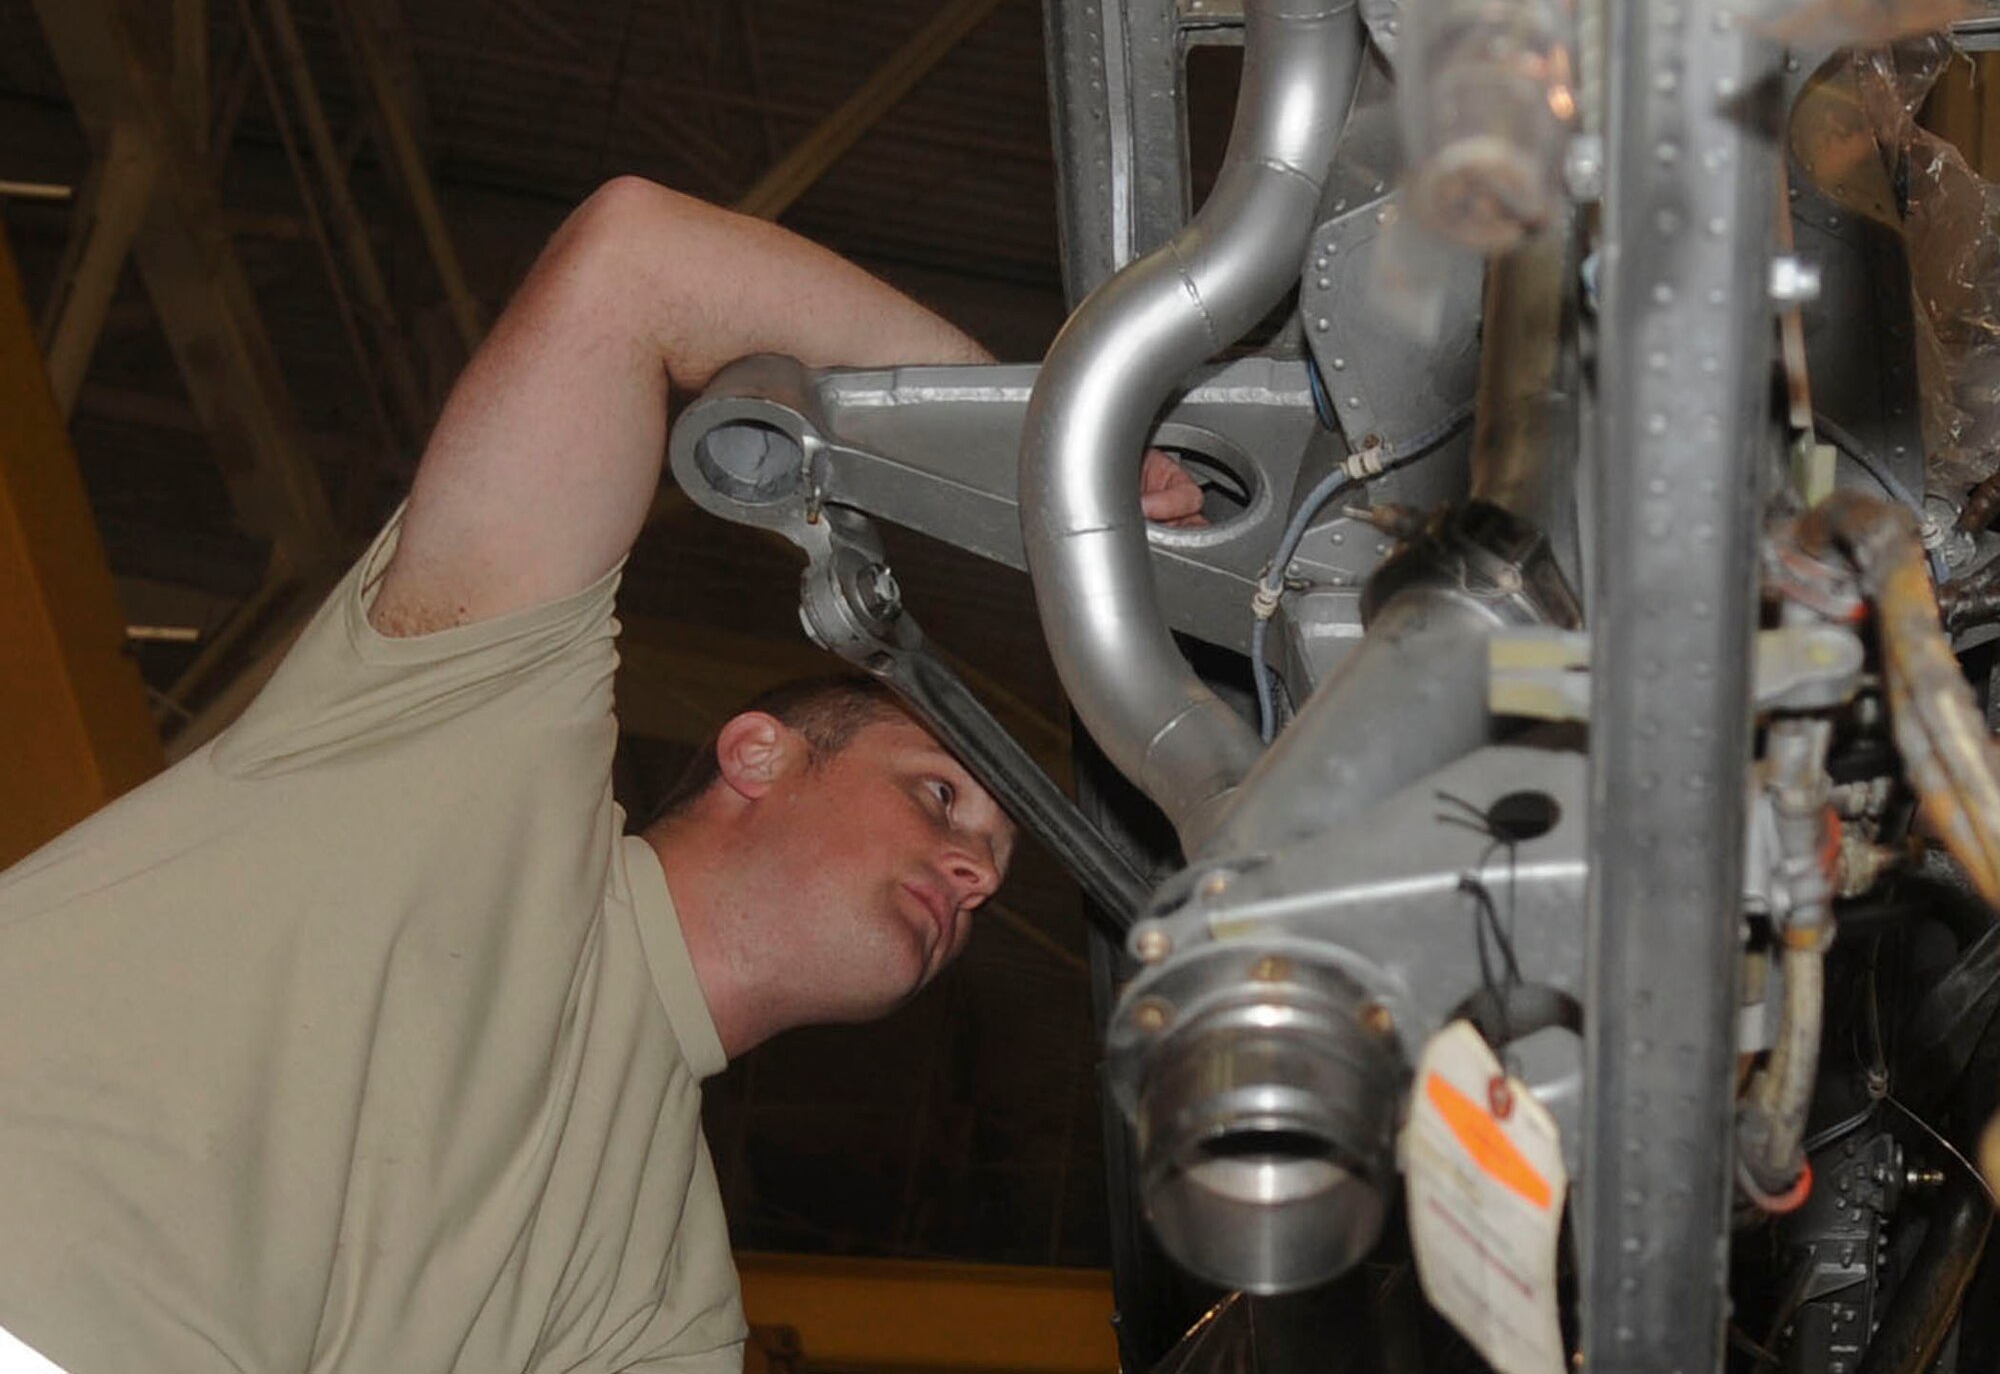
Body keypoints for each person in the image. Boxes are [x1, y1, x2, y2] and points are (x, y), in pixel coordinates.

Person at [0, 177, 1201, 1374]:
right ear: (755, 752)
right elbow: (637, 266)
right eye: (940, 795)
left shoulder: (661, 1308)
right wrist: (1014, 449)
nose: (971, 872)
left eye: (989, 867)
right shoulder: (472, 744)